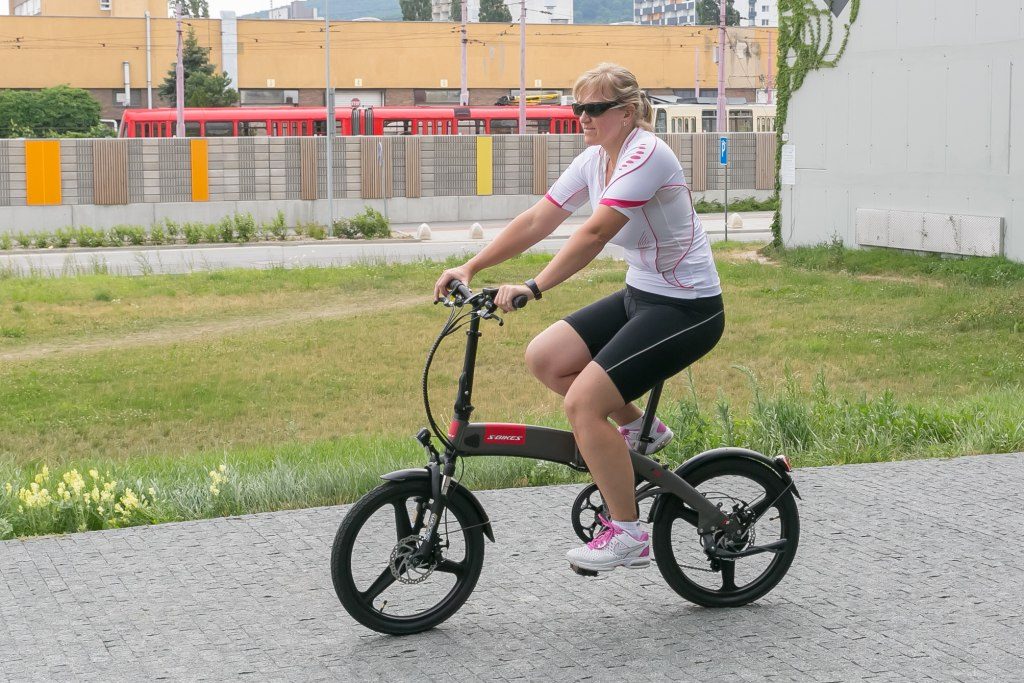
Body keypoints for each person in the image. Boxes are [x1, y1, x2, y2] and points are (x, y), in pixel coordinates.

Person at [433, 63, 724, 573]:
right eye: (577, 108)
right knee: (546, 358)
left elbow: (593, 234)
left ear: (628, 112)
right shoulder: (596, 159)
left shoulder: (647, 154)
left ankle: (629, 534)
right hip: (642, 294)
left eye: (594, 108)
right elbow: (537, 219)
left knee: (585, 406)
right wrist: (472, 264)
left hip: (688, 307)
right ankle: (642, 431)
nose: (582, 117)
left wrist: (532, 286)